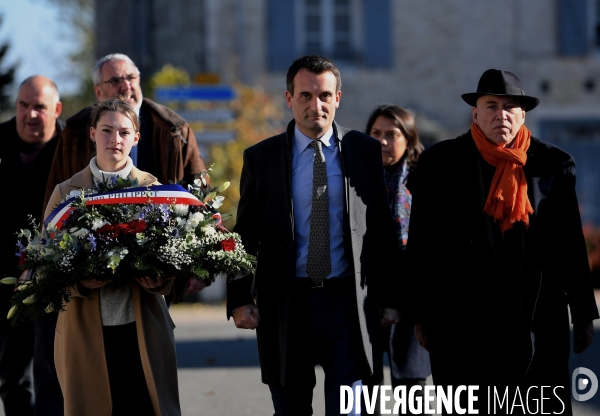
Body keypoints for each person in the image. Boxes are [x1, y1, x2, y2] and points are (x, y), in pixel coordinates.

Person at [406, 69, 599, 413]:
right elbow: (422, 243)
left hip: (536, 317)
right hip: (461, 321)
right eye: (491, 105)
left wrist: (583, 312)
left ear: (523, 114)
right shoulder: (440, 164)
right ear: (475, 113)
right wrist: (420, 313)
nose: (501, 114)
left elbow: (570, 245)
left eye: (510, 107)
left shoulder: (553, 164)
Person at [227, 55, 401, 415]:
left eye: (324, 95)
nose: (315, 105)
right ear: (289, 99)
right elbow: (245, 234)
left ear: (338, 98)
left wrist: (392, 296)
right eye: (305, 95)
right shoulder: (262, 158)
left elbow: (381, 229)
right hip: (286, 305)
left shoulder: (364, 151)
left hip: (348, 305)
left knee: (352, 411)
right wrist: (240, 298)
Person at [44, 98, 180, 415]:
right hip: (84, 330)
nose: (115, 140)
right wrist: (78, 280)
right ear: (92, 134)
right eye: (106, 130)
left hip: (142, 327)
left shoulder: (154, 189)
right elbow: (46, 261)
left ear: (136, 137)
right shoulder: (66, 192)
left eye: (123, 132)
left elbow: (173, 257)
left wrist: (159, 278)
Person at [43, 53, 208, 302]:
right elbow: (55, 206)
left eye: (131, 77)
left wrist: (199, 263)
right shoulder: (75, 130)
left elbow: (197, 194)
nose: (126, 86)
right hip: (90, 281)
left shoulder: (174, 128)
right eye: (116, 80)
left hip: (152, 276)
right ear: (98, 92)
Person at [0, 75, 64, 416]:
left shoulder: (73, 147)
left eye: (39, 107)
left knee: (55, 373)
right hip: (6, 279)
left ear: (56, 109)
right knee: (13, 375)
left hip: (57, 278)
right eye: (23, 106)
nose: (31, 115)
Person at [363, 104, 430, 415]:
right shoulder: (356, 179)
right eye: (375, 134)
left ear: (409, 137)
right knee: (366, 387)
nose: (382, 142)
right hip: (367, 294)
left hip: (413, 293)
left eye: (391, 134)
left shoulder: (426, 179)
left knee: (412, 388)